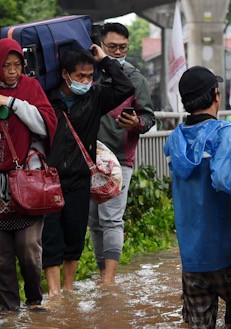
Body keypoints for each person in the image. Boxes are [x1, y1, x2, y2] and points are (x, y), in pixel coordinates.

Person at [164, 66, 231, 329]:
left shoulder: (174, 139)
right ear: (216, 95)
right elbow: (224, 178)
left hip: (194, 253)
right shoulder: (228, 133)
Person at [0, 38, 58, 312]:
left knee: (30, 247)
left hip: (26, 180)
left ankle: (34, 302)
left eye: (17, 65)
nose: (12, 70)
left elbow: (46, 125)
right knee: (1, 254)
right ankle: (9, 310)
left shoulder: (31, 88)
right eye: (6, 65)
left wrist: (13, 102)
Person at [43, 46, 133, 296]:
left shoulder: (95, 98)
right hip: (50, 179)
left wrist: (105, 60)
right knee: (51, 235)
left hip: (80, 179)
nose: (86, 81)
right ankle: (54, 293)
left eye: (89, 76)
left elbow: (126, 87)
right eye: (80, 76)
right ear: (65, 74)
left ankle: (69, 290)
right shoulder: (47, 99)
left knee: (74, 234)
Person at [89, 22, 157, 285]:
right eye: (112, 47)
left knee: (111, 219)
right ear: (100, 46)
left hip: (118, 158)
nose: (117, 52)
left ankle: (109, 281)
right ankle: (102, 274)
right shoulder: (90, 75)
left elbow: (149, 117)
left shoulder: (134, 77)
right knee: (94, 221)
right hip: (87, 158)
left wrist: (136, 124)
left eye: (122, 47)